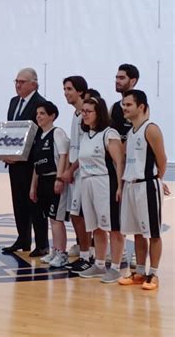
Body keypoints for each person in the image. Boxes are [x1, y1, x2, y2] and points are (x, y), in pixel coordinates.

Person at [118, 90, 168, 290]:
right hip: (131, 186)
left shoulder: (151, 129)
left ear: (141, 107)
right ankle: (139, 272)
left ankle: (153, 274)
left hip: (147, 186)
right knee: (137, 233)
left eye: (128, 105)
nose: (124, 108)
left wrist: (157, 179)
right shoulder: (131, 132)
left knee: (153, 233)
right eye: (123, 104)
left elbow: (162, 159)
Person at [77, 96, 125, 283]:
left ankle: (114, 267)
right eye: (83, 111)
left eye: (89, 111)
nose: (85, 114)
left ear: (99, 113)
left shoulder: (109, 133)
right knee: (95, 227)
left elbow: (119, 162)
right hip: (87, 182)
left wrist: (120, 187)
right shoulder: (85, 135)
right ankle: (98, 264)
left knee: (113, 227)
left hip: (105, 182)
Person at [3, 67, 48, 257]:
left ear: (34, 84)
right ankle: (23, 237)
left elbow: (39, 135)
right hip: (14, 163)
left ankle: (42, 243)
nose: (18, 85)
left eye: (22, 82)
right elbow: (10, 131)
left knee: (35, 203)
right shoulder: (14, 102)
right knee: (18, 201)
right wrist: (5, 152)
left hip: (31, 163)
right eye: (16, 81)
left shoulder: (41, 104)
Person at [30, 101, 70, 267]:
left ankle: (62, 254)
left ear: (52, 116)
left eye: (42, 113)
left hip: (55, 179)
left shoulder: (57, 133)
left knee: (56, 219)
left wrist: (59, 179)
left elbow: (63, 156)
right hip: (43, 180)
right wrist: (33, 186)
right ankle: (54, 250)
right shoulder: (39, 136)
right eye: (37, 113)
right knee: (49, 218)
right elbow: (36, 165)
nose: (39, 116)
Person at [60, 76, 93, 273]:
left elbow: (86, 148)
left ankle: (87, 256)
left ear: (80, 91)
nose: (66, 92)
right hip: (76, 172)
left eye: (69, 89)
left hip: (85, 173)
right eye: (64, 89)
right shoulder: (75, 114)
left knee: (81, 216)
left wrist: (70, 170)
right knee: (76, 215)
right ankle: (84, 254)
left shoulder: (86, 116)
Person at [111, 64, 139, 142]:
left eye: (122, 78)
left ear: (133, 81)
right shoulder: (114, 107)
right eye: (116, 78)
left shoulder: (140, 106)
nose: (117, 81)